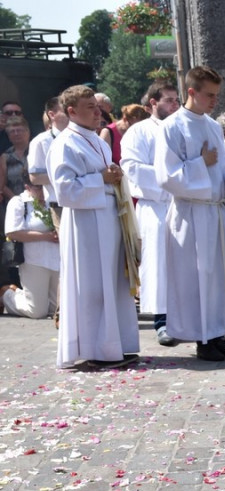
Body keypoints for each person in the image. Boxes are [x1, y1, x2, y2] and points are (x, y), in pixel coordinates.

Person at [155, 65, 225, 362]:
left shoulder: (211, 125)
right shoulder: (172, 127)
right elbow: (166, 176)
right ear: (191, 92)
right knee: (198, 277)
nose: (214, 101)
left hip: (215, 211)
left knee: (220, 276)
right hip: (191, 214)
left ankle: (218, 333)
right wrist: (200, 162)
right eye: (209, 95)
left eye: (217, 95)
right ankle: (202, 338)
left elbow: (222, 166)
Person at [46, 85, 140, 369]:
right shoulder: (63, 144)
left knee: (113, 283)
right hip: (86, 226)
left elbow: (107, 176)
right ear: (71, 111)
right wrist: (101, 178)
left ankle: (116, 344)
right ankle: (96, 348)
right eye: (90, 107)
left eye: (97, 106)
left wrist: (114, 176)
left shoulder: (98, 141)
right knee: (93, 287)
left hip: (109, 219)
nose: (97, 111)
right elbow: (64, 191)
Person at [120, 80, 181, 347]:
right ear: (152, 103)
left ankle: (187, 318)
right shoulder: (139, 132)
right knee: (158, 263)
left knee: (184, 262)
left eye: (176, 99)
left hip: (183, 203)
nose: (174, 104)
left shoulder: (182, 127)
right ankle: (162, 321)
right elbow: (132, 168)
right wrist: (170, 179)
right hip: (155, 205)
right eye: (168, 100)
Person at [1, 182, 59, 318]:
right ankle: (6, 294)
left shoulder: (52, 200)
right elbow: (12, 232)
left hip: (56, 259)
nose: (43, 191)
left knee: (55, 308)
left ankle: (22, 294)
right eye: (38, 187)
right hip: (33, 260)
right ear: (27, 187)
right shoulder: (19, 202)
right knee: (37, 312)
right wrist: (46, 236)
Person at [2, 114, 32, 286]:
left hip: (37, 204)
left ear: (27, 132)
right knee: (15, 244)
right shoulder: (5, 157)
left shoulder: (37, 150)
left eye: (19, 130)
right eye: (12, 131)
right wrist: (18, 201)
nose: (16, 134)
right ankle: (15, 283)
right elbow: (2, 184)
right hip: (13, 204)